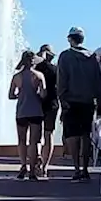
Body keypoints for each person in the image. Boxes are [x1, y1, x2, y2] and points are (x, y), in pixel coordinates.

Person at [57, 27, 101, 182]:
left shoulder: (65, 56)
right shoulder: (91, 57)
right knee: (86, 135)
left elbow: (62, 80)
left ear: (70, 39)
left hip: (70, 101)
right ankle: (85, 169)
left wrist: (62, 99)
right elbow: (98, 80)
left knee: (72, 136)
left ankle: (76, 169)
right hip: (88, 101)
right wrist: (100, 100)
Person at [9, 49, 47, 181]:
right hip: (36, 111)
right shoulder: (39, 76)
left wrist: (20, 95)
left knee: (21, 141)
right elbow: (43, 94)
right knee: (33, 141)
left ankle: (23, 165)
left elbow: (10, 95)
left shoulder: (16, 77)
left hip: (21, 111)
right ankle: (32, 170)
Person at [34, 44, 60, 179]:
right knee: (49, 134)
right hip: (52, 104)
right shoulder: (56, 70)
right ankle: (45, 167)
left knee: (35, 134)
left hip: (37, 104)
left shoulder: (35, 70)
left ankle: (37, 155)